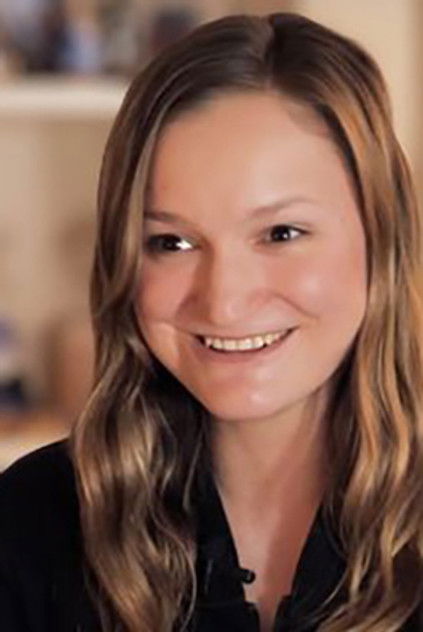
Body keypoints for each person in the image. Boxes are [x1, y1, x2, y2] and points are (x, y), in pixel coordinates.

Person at [0, 12, 422, 632]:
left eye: (281, 233)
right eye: (172, 242)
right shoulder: (32, 525)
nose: (223, 302)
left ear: (381, 239)